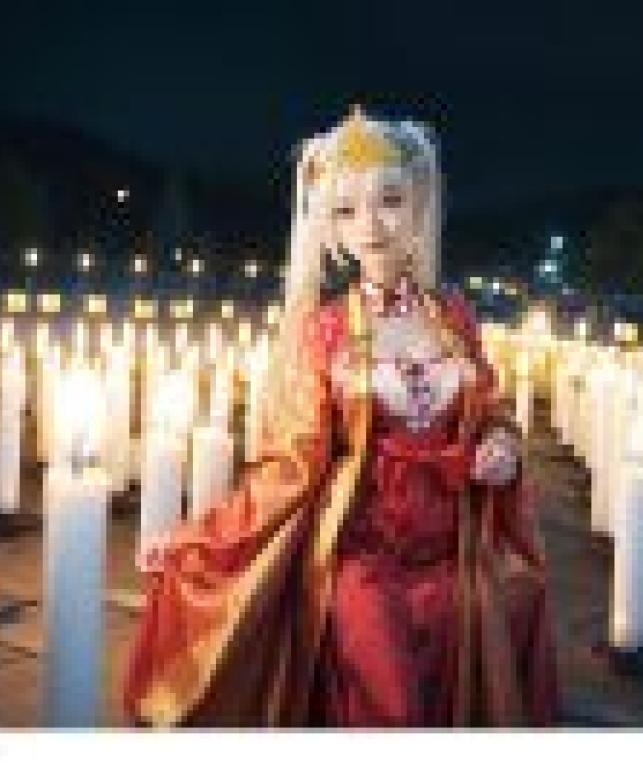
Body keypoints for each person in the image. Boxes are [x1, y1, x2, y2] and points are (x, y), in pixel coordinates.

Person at [122, 105, 561, 728]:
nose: (371, 227)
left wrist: (501, 447)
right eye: (346, 210)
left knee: (502, 619)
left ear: (418, 205)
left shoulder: (454, 316)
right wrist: (200, 537)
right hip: (363, 557)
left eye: (388, 200)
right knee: (384, 694)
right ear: (328, 225)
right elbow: (290, 465)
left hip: (455, 555)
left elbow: (490, 411)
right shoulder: (325, 331)